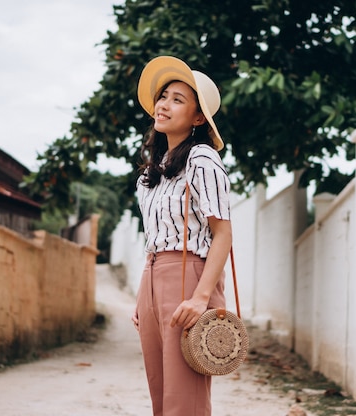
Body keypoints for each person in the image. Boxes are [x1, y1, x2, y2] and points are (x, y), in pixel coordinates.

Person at [131, 55, 232, 416]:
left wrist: (201, 298)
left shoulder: (202, 160)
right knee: (160, 394)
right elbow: (155, 239)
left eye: (178, 99)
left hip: (188, 277)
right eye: (163, 96)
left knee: (183, 399)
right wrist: (145, 294)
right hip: (152, 276)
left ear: (198, 117)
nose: (164, 105)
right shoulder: (152, 174)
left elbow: (222, 233)